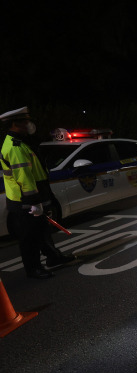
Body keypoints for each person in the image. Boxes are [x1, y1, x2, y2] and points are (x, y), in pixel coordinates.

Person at [1, 106, 75, 279]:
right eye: (24, 121)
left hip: (35, 195)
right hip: (24, 199)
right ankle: (33, 269)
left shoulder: (24, 141)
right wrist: (34, 202)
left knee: (42, 229)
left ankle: (53, 257)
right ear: (14, 124)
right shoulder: (14, 146)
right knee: (29, 237)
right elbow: (24, 177)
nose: (28, 124)